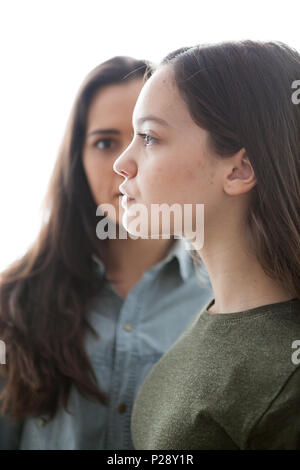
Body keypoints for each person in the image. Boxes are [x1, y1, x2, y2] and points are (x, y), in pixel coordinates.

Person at [0, 56, 212, 450]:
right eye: (104, 142)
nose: (122, 162)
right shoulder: (14, 297)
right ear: (76, 160)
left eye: (146, 137)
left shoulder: (223, 297)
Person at [113, 41, 300, 450]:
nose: (122, 163)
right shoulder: (218, 315)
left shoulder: (287, 384)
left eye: (148, 137)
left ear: (239, 169)